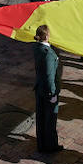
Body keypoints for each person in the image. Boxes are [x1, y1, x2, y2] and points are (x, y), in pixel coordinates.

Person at [32, 23, 63, 154]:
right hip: (48, 91)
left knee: (41, 118)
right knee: (50, 120)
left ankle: (41, 144)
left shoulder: (37, 48)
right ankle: (50, 146)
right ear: (47, 36)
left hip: (39, 88)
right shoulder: (49, 54)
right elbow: (50, 76)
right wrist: (53, 94)